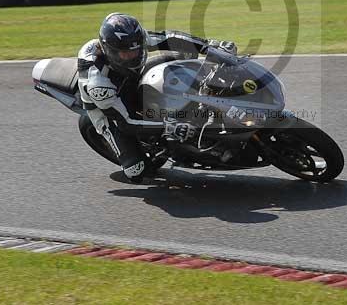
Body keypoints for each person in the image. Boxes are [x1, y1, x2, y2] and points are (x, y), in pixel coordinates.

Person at [78, 12, 236, 182]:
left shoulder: (133, 41)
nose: (134, 56)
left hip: (131, 77)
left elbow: (169, 37)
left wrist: (210, 47)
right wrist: (170, 127)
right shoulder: (97, 82)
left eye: (137, 50)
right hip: (109, 109)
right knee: (137, 172)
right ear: (109, 51)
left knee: (187, 57)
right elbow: (126, 123)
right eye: (126, 54)